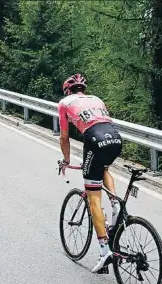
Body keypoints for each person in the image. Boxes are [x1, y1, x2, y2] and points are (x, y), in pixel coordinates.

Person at [57, 73, 123, 273]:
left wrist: (66, 160)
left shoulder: (64, 102)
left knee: (93, 197)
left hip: (94, 139)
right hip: (115, 138)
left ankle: (104, 252)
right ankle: (115, 203)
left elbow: (64, 137)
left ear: (68, 90)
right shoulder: (96, 99)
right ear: (83, 89)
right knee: (103, 168)